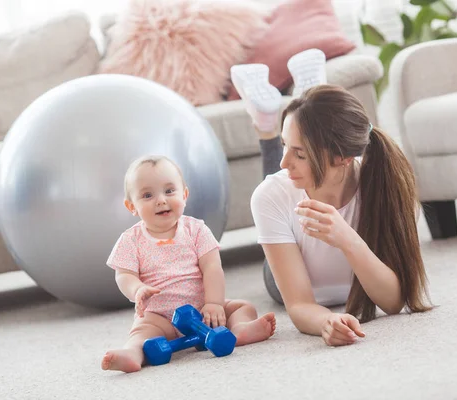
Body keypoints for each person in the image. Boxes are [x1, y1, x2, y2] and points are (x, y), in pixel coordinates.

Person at [231, 48, 432, 347]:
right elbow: (298, 306)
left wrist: (346, 238)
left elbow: (393, 302)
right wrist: (327, 321)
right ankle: (269, 122)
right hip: (288, 262)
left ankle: (305, 102)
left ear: (343, 158)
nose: (285, 162)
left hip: (348, 233)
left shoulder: (385, 183)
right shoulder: (271, 195)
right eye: (286, 146)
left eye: (299, 152)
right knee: (275, 184)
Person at [101, 155, 276, 373]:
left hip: (203, 310)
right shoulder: (130, 240)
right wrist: (137, 288)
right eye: (147, 195)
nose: (161, 200)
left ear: (184, 195)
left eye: (169, 191)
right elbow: (123, 275)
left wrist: (214, 303)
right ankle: (132, 353)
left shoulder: (197, 230)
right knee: (141, 332)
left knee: (242, 307)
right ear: (131, 206)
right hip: (159, 316)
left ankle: (240, 330)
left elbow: (212, 267)